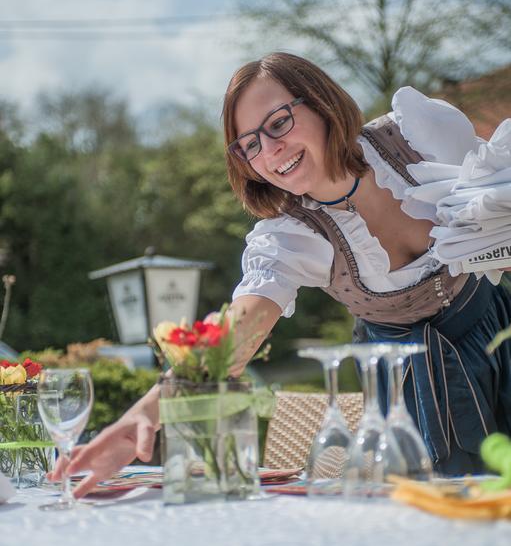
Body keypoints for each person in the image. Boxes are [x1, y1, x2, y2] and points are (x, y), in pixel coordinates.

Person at [50, 52, 511, 496]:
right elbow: (240, 330)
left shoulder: (419, 133)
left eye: (278, 123)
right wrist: (147, 413)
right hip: (410, 389)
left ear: (322, 103)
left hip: (500, 332)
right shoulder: (291, 237)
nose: (271, 151)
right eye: (250, 145)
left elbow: (497, 198)